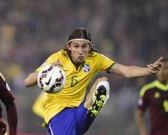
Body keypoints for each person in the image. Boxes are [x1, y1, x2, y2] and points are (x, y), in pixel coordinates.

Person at [24, 28, 163, 135]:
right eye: (76, 46)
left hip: (78, 111)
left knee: (102, 82)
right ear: (69, 47)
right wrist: (47, 70)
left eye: (84, 46)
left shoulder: (95, 59)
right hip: (57, 114)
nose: (80, 51)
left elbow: (125, 71)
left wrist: (148, 70)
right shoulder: (57, 58)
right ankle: (91, 107)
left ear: (89, 47)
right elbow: (28, 82)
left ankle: (92, 106)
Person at [135, 58, 168, 135]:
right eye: (159, 68)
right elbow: (139, 114)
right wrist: (143, 132)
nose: (162, 72)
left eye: (166, 68)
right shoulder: (148, 90)